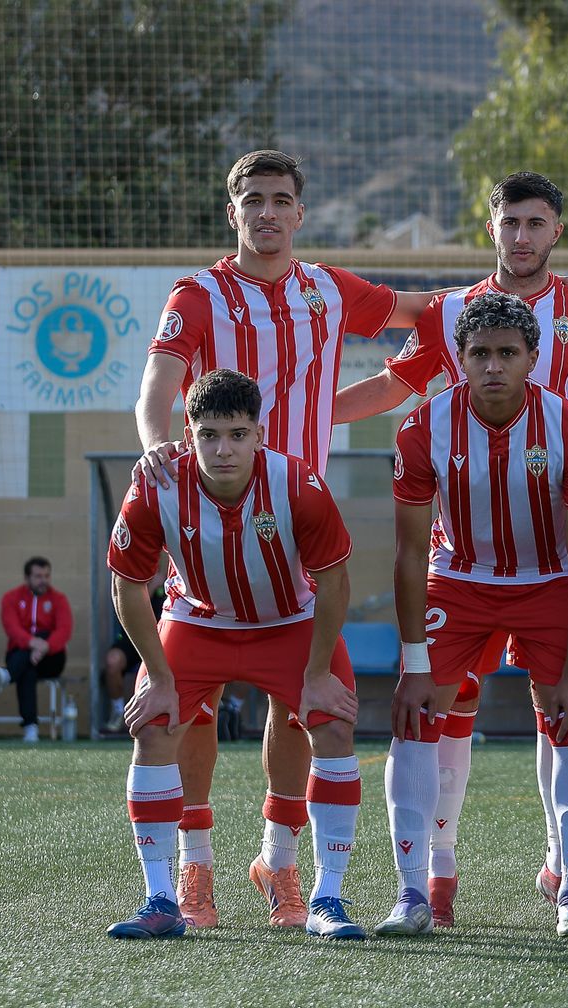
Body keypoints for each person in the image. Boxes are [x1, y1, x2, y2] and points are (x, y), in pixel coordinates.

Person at [132, 150, 437, 931]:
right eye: (253, 200)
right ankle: (194, 870)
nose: (266, 213)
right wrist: (158, 449)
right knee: (190, 709)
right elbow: (158, 386)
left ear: (300, 213)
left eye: (280, 200)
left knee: (305, 701)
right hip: (210, 521)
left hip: (298, 525)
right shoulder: (199, 294)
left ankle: (280, 862)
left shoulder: (330, 289)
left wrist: (399, 377)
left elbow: (423, 315)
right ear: (232, 211)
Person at [336, 171, 568, 916]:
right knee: (439, 706)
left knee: (561, 706)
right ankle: (430, 877)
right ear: (492, 228)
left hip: (552, 548)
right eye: (511, 223)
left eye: (536, 223)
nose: (522, 236)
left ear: (556, 230)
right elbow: (394, 385)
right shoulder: (449, 318)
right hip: (463, 556)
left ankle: (565, 871)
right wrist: (296, 418)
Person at [105, 369, 365, 940]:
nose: (224, 449)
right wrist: (160, 677)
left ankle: (325, 896)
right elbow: (127, 585)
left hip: (288, 621)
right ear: (188, 435)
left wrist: (317, 673)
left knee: (332, 722)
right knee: (154, 723)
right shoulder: (156, 485)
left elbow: (335, 582)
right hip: (197, 621)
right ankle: (163, 895)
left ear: (259, 435)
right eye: (209, 435)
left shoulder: (297, 483)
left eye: (238, 435)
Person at [378, 293, 568, 937]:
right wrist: (414, 663)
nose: (493, 366)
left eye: (508, 352)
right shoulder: (423, 428)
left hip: (548, 580)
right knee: (416, 716)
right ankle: (416, 889)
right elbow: (407, 554)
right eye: (479, 353)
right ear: (460, 359)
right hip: (458, 580)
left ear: (533, 358)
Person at [0, 557, 73, 744]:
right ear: (27, 577)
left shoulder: (59, 599)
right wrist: (32, 643)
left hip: (52, 658)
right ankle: (31, 729)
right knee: (27, 671)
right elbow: (12, 628)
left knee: (45, 635)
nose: (43, 580)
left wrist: (45, 645)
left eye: (46, 576)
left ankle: (8, 674)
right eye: (38, 576)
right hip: (20, 654)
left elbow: (64, 630)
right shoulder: (11, 598)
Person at [103, 580, 165, 731]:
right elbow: (131, 609)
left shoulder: (174, 579)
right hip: (133, 637)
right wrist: (150, 588)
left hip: (163, 639)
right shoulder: (132, 578)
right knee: (112, 662)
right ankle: (118, 712)